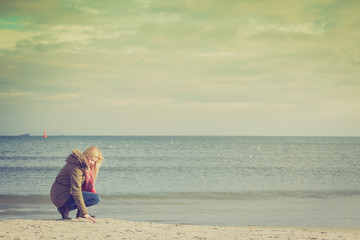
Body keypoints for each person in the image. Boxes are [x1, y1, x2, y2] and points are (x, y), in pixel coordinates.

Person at [50, 147, 104, 222]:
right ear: (85, 156)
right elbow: (76, 190)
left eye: (94, 162)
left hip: (62, 195)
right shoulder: (76, 167)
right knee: (95, 198)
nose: (92, 163)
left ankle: (66, 209)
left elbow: (81, 189)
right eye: (91, 160)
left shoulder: (80, 165)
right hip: (60, 196)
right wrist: (85, 213)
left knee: (90, 196)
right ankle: (67, 208)